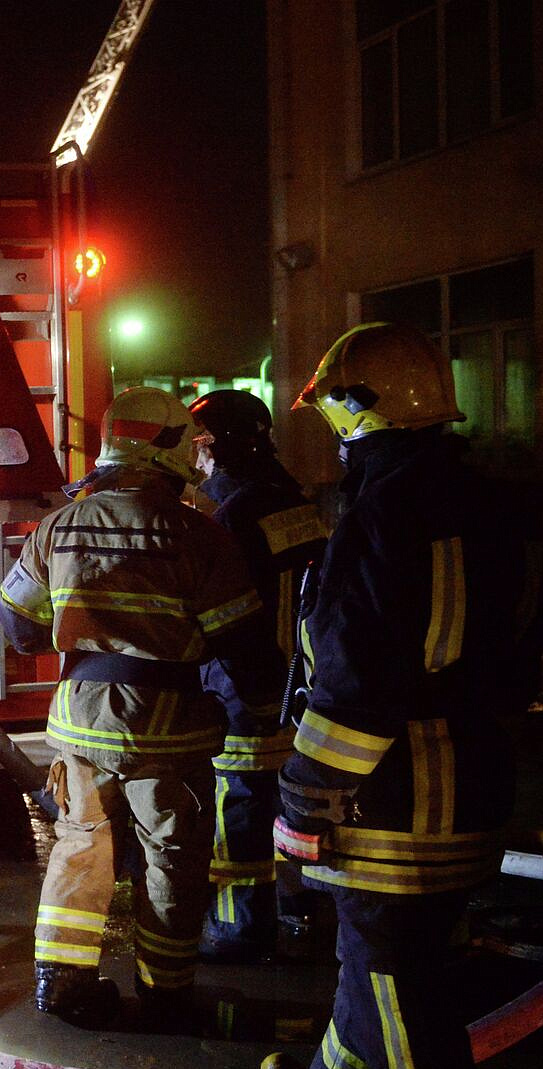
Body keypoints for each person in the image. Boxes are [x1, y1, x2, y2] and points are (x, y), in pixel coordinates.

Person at [272, 324, 538, 1069]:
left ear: (360, 406)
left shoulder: (384, 513)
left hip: (392, 810)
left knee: (393, 984)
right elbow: (519, 657)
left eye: (331, 410)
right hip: (474, 787)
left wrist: (308, 791)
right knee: (382, 976)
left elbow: (359, 674)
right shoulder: (492, 507)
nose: (331, 432)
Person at [0, 386, 278, 1029]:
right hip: (168, 728)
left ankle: (62, 979)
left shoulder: (56, 526)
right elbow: (241, 644)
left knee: (80, 843)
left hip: (77, 720)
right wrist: (263, 710)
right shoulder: (198, 535)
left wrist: (81, 633)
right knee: (173, 859)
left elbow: (17, 629)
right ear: (170, 450)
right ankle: (165, 988)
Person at [187, 389, 331, 962]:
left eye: (198, 448)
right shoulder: (290, 500)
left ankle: (237, 929)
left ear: (215, 447)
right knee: (289, 805)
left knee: (238, 812)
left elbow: (217, 612)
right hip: (300, 688)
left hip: (244, 689)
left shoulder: (230, 514)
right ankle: (298, 913)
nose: (195, 462)